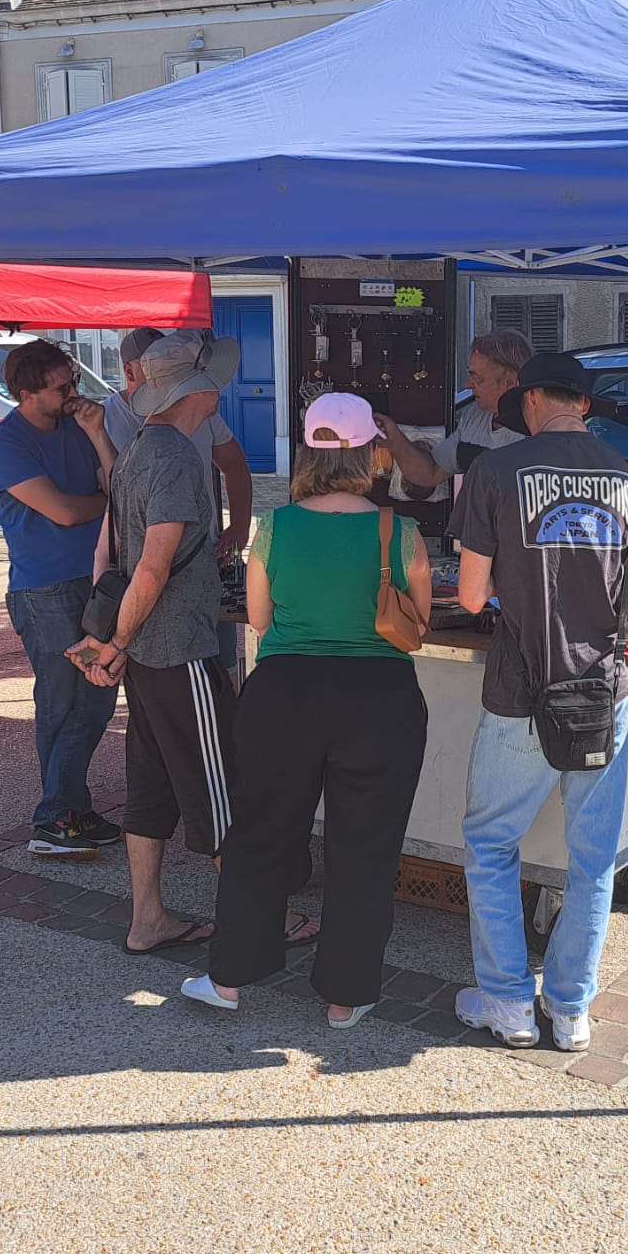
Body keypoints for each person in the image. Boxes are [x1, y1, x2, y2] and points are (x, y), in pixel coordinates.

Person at [184, 391, 431, 1029]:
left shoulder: (274, 527)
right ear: (370, 452)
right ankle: (346, 995)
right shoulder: (398, 531)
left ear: (309, 452)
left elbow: (260, 619)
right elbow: (418, 625)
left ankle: (230, 977)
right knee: (365, 845)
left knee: (261, 834)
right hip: (379, 699)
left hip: (285, 694)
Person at [448, 352, 628, 1053]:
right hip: (602, 690)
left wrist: (517, 586)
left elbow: (471, 596)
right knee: (593, 860)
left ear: (531, 400)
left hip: (519, 692)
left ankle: (507, 1002)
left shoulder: (495, 473)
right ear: (586, 406)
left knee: (490, 844)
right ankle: (570, 1012)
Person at [68, 332, 234, 955]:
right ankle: (252, 925)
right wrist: (112, 641)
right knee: (219, 789)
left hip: (144, 651)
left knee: (151, 784)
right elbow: (151, 569)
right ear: (197, 388)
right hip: (175, 648)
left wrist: (105, 639)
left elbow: (107, 554)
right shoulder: (171, 457)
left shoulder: (139, 446)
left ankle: (148, 918)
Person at [0, 340, 123, 858]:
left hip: (92, 582)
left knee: (98, 695)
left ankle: (70, 808)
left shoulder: (76, 428)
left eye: (73, 382)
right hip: (45, 591)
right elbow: (63, 511)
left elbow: (117, 483)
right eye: (60, 387)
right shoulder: (4, 443)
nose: (72, 394)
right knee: (66, 700)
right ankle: (54, 817)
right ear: (26, 394)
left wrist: (97, 433)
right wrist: (105, 502)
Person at [104, 328, 252, 569]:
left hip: (202, 553)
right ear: (129, 371)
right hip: (149, 564)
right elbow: (109, 506)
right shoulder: (105, 420)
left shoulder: (201, 412)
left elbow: (234, 465)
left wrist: (240, 525)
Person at [373, 329, 532, 495]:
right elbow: (431, 473)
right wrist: (395, 440)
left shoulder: (537, 428)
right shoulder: (475, 415)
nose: (467, 385)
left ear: (510, 382)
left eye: (477, 378)